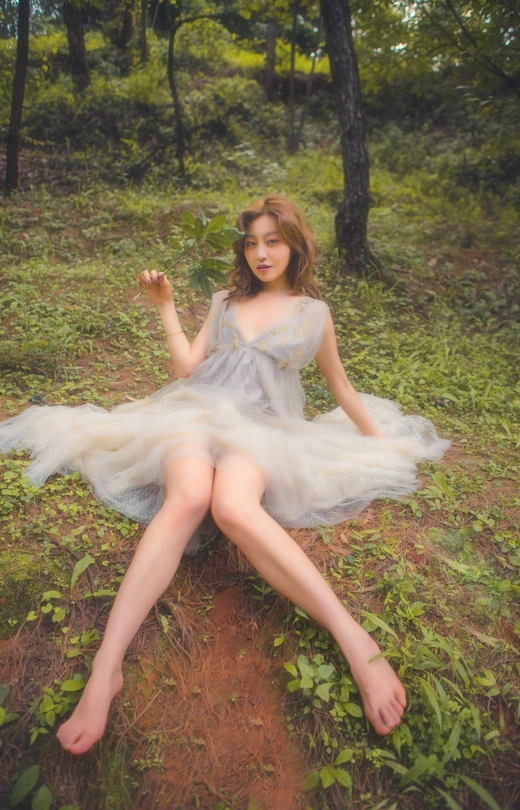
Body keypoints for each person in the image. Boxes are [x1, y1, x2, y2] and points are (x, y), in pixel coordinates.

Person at [0, 195, 450, 755]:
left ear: (294, 246)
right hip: (194, 413)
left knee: (234, 506)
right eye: (253, 242)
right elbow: (187, 368)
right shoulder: (225, 300)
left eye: (273, 241)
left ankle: (356, 641)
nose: (262, 253)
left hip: (262, 428)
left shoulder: (314, 314)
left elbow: (340, 386)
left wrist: (379, 442)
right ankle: (105, 667)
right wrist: (166, 306)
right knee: (188, 497)